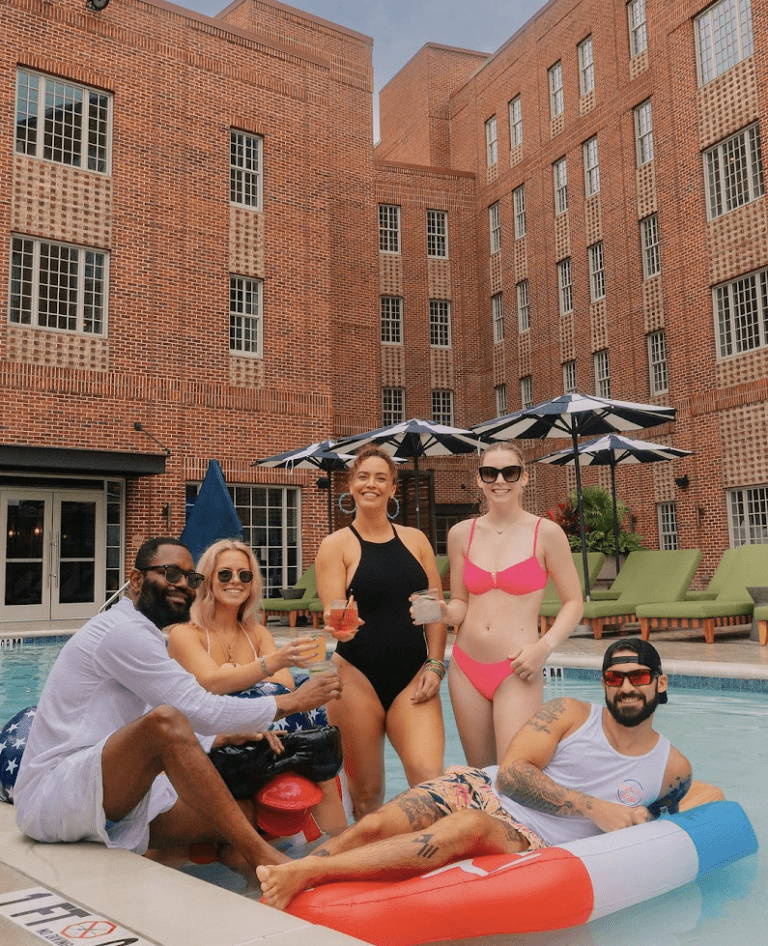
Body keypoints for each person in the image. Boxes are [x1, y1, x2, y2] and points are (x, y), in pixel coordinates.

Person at [257, 639, 724, 909]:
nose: (625, 687)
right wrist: (593, 806)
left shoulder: (672, 768)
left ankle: (310, 872)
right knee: (378, 822)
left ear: (660, 683)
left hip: (532, 836)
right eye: (613, 678)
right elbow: (512, 775)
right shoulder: (568, 713)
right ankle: (289, 875)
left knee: (466, 828)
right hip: (483, 785)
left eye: (638, 677)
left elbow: (685, 811)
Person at [14, 537, 342, 871]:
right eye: (171, 574)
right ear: (137, 579)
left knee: (244, 815)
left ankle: (278, 883)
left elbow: (152, 711)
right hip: (55, 795)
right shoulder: (122, 631)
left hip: (108, 786)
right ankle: (269, 861)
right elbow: (195, 709)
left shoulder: (149, 634)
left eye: (191, 578)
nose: (184, 585)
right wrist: (295, 701)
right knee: (165, 722)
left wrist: (221, 738)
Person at [168, 538, 348, 835]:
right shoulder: (186, 634)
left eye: (245, 575)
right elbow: (212, 683)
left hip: (271, 732)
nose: (235, 581)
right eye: (224, 574)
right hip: (220, 741)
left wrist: (235, 673)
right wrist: (272, 662)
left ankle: (341, 847)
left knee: (321, 747)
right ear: (208, 579)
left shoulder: (258, 632)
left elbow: (285, 687)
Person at [315, 444, 447, 818]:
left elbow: (431, 613)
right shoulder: (336, 546)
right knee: (367, 798)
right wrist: (341, 629)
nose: (370, 484)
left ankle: (434, 868)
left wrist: (435, 665)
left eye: (380, 478)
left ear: (392, 489)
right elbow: (335, 612)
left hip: (412, 677)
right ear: (351, 484)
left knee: (428, 779)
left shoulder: (415, 541)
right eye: (362, 476)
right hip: (356, 677)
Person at [443, 441, 583, 767]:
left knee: (513, 773)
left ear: (524, 478)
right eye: (490, 473)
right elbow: (461, 603)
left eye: (510, 472)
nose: (499, 481)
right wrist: (441, 612)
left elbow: (574, 603)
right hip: (465, 667)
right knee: (481, 776)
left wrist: (544, 647)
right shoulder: (461, 534)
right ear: (479, 479)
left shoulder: (546, 533)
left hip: (518, 667)